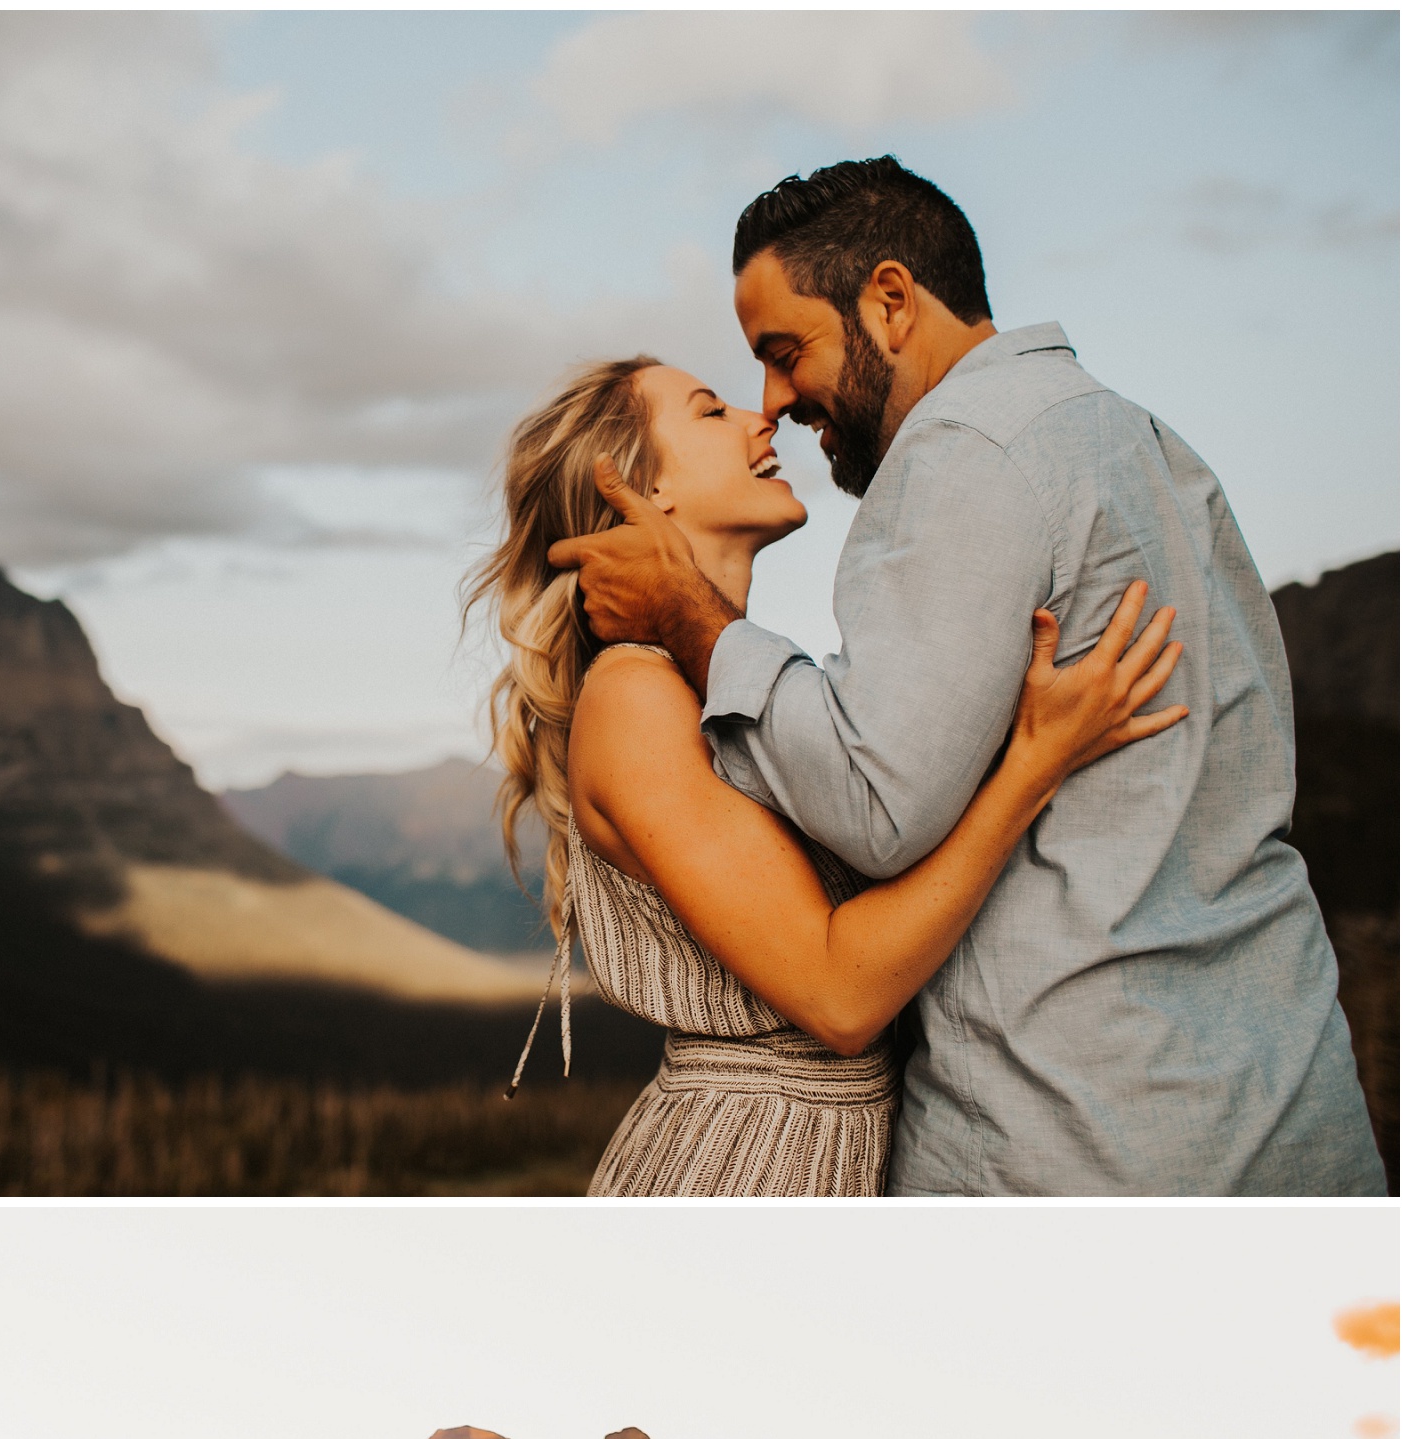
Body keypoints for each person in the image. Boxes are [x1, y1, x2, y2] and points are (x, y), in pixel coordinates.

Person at [548, 156, 1385, 1198]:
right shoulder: (1143, 444)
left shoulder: (961, 456)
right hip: (1279, 1093)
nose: (773, 401)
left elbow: (875, 805)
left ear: (891, 301)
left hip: (1076, 1131)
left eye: (782, 351)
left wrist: (698, 621)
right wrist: (1031, 765)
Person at [470, 354, 1188, 1196]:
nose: (759, 418)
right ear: (643, 489)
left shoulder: (735, 688)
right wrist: (1033, 765)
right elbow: (842, 999)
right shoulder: (634, 695)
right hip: (735, 1173)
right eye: (710, 412)